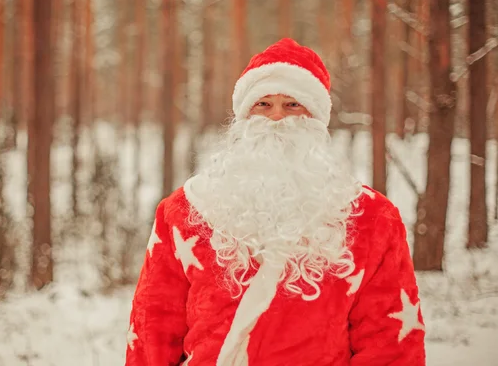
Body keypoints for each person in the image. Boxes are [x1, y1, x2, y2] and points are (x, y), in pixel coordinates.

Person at [125, 38, 425, 366]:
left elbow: (389, 343)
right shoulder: (184, 211)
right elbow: (152, 329)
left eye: (293, 105)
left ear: (315, 120)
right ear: (243, 118)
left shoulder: (372, 218)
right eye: (263, 105)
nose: (277, 118)